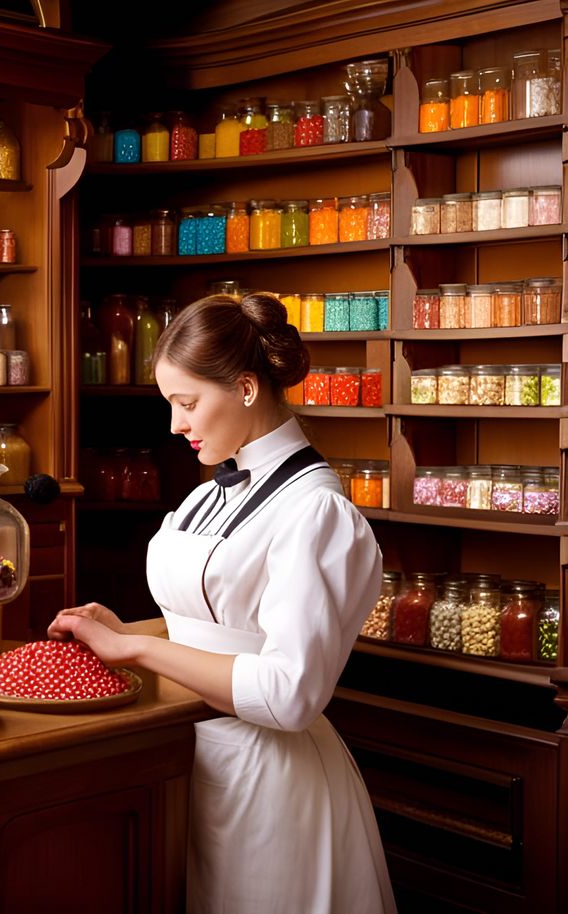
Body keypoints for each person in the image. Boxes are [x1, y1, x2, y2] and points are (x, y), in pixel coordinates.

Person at [49, 292, 396, 913]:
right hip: (192, 764)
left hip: (270, 782)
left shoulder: (313, 512)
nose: (176, 425)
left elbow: (289, 693)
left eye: (187, 404)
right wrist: (131, 631)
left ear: (243, 387)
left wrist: (134, 650)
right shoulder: (212, 492)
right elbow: (216, 628)